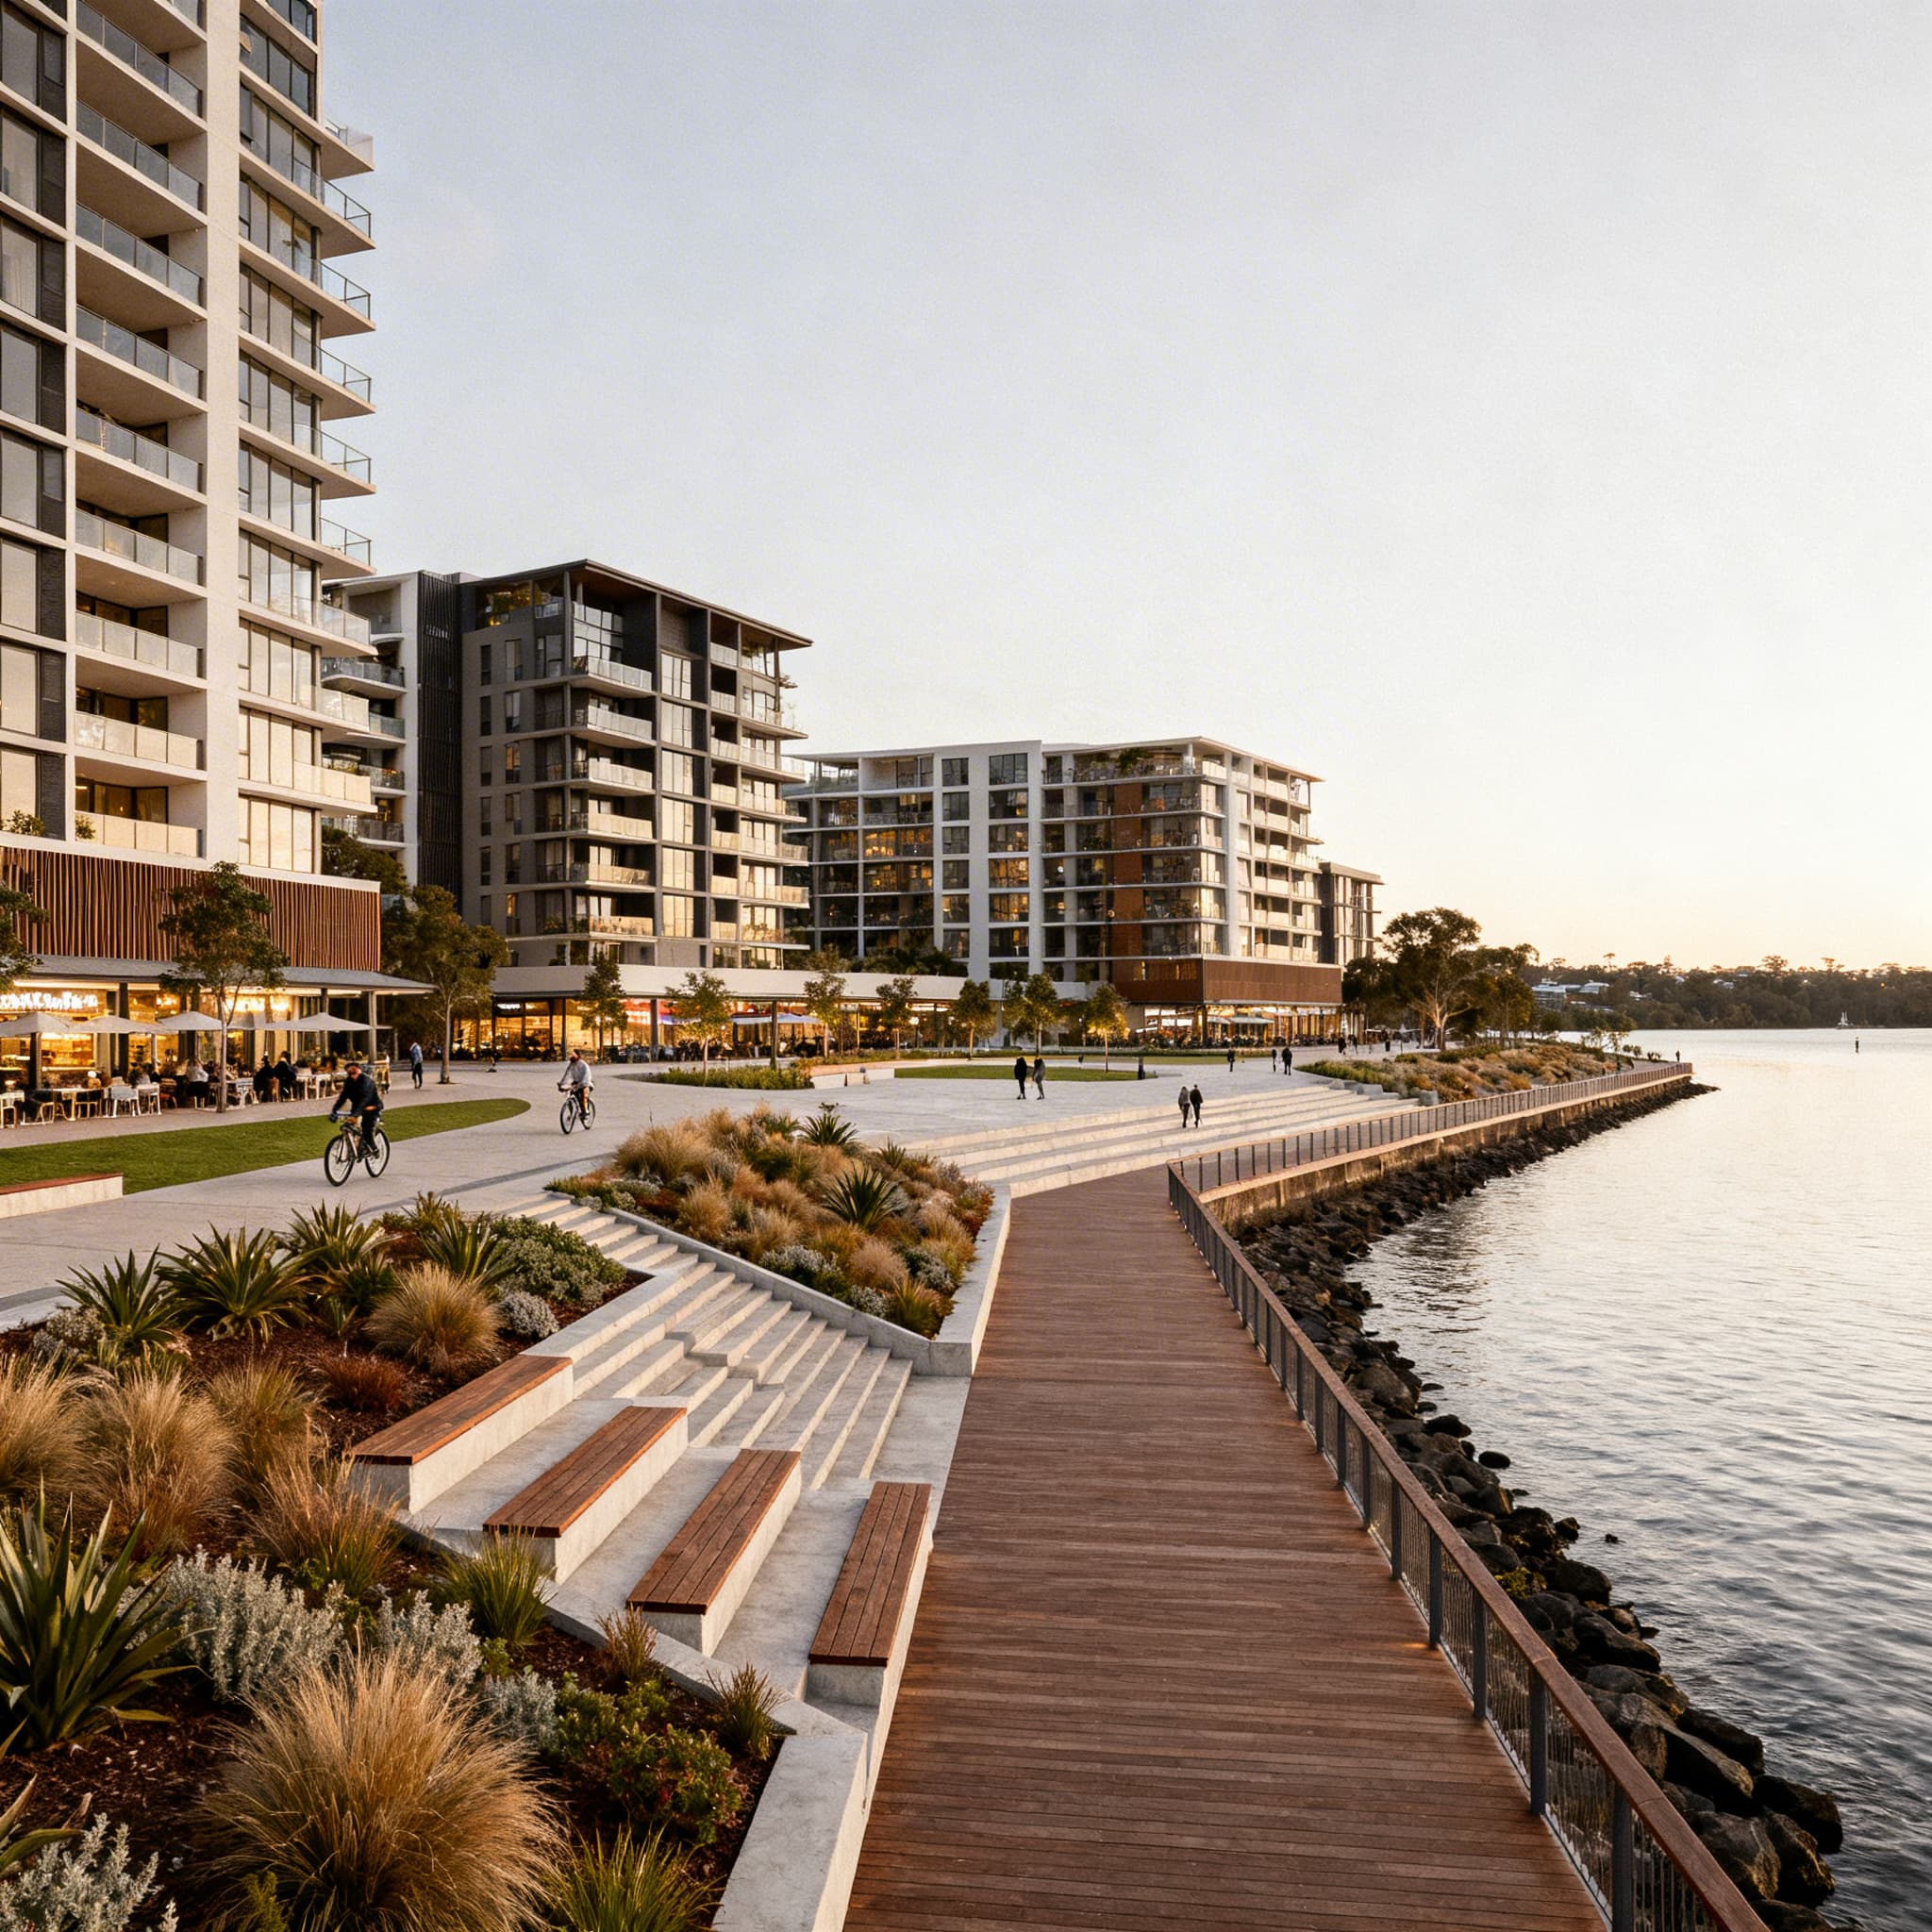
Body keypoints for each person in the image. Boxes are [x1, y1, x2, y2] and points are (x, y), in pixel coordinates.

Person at [329, 1058, 384, 1157]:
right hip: (357, 1108)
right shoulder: (349, 1082)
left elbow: (364, 1100)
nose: (352, 1073)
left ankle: (374, 1150)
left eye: (354, 1069)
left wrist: (355, 1115)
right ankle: (354, 1149)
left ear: (359, 1070)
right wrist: (334, 1110)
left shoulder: (367, 1082)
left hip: (371, 1108)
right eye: (349, 1071)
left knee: (366, 1129)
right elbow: (343, 1097)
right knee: (349, 1128)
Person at [558, 1047, 593, 1119]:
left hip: (585, 1083)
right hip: (576, 1083)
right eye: (571, 1055)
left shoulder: (583, 1065)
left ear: (578, 1055)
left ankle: (585, 1112)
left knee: (583, 1097)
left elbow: (586, 1076)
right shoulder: (572, 1064)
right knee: (571, 1097)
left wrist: (580, 1085)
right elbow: (567, 1074)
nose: (572, 1056)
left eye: (574, 1054)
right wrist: (562, 1084)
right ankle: (572, 1114)